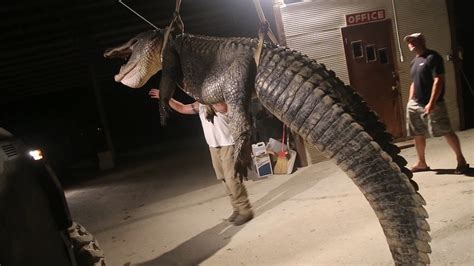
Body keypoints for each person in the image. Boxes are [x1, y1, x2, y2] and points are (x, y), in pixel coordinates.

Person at [149, 88, 254, 225]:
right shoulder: (201, 105)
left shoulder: (219, 102)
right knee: (223, 179)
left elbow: (223, 108)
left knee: (232, 179)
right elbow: (182, 108)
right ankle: (236, 208)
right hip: (213, 146)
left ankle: (245, 210)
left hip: (228, 144)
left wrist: (207, 98)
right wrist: (165, 98)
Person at [404, 32, 469, 174]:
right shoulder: (413, 62)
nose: (411, 43)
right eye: (409, 41)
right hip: (415, 104)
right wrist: (410, 101)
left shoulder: (433, 57)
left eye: (414, 40)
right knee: (417, 133)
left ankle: (461, 161)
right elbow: (414, 83)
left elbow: (438, 80)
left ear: (422, 41)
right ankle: (421, 163)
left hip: (433, 104)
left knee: (445, 131)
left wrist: (431, 103)